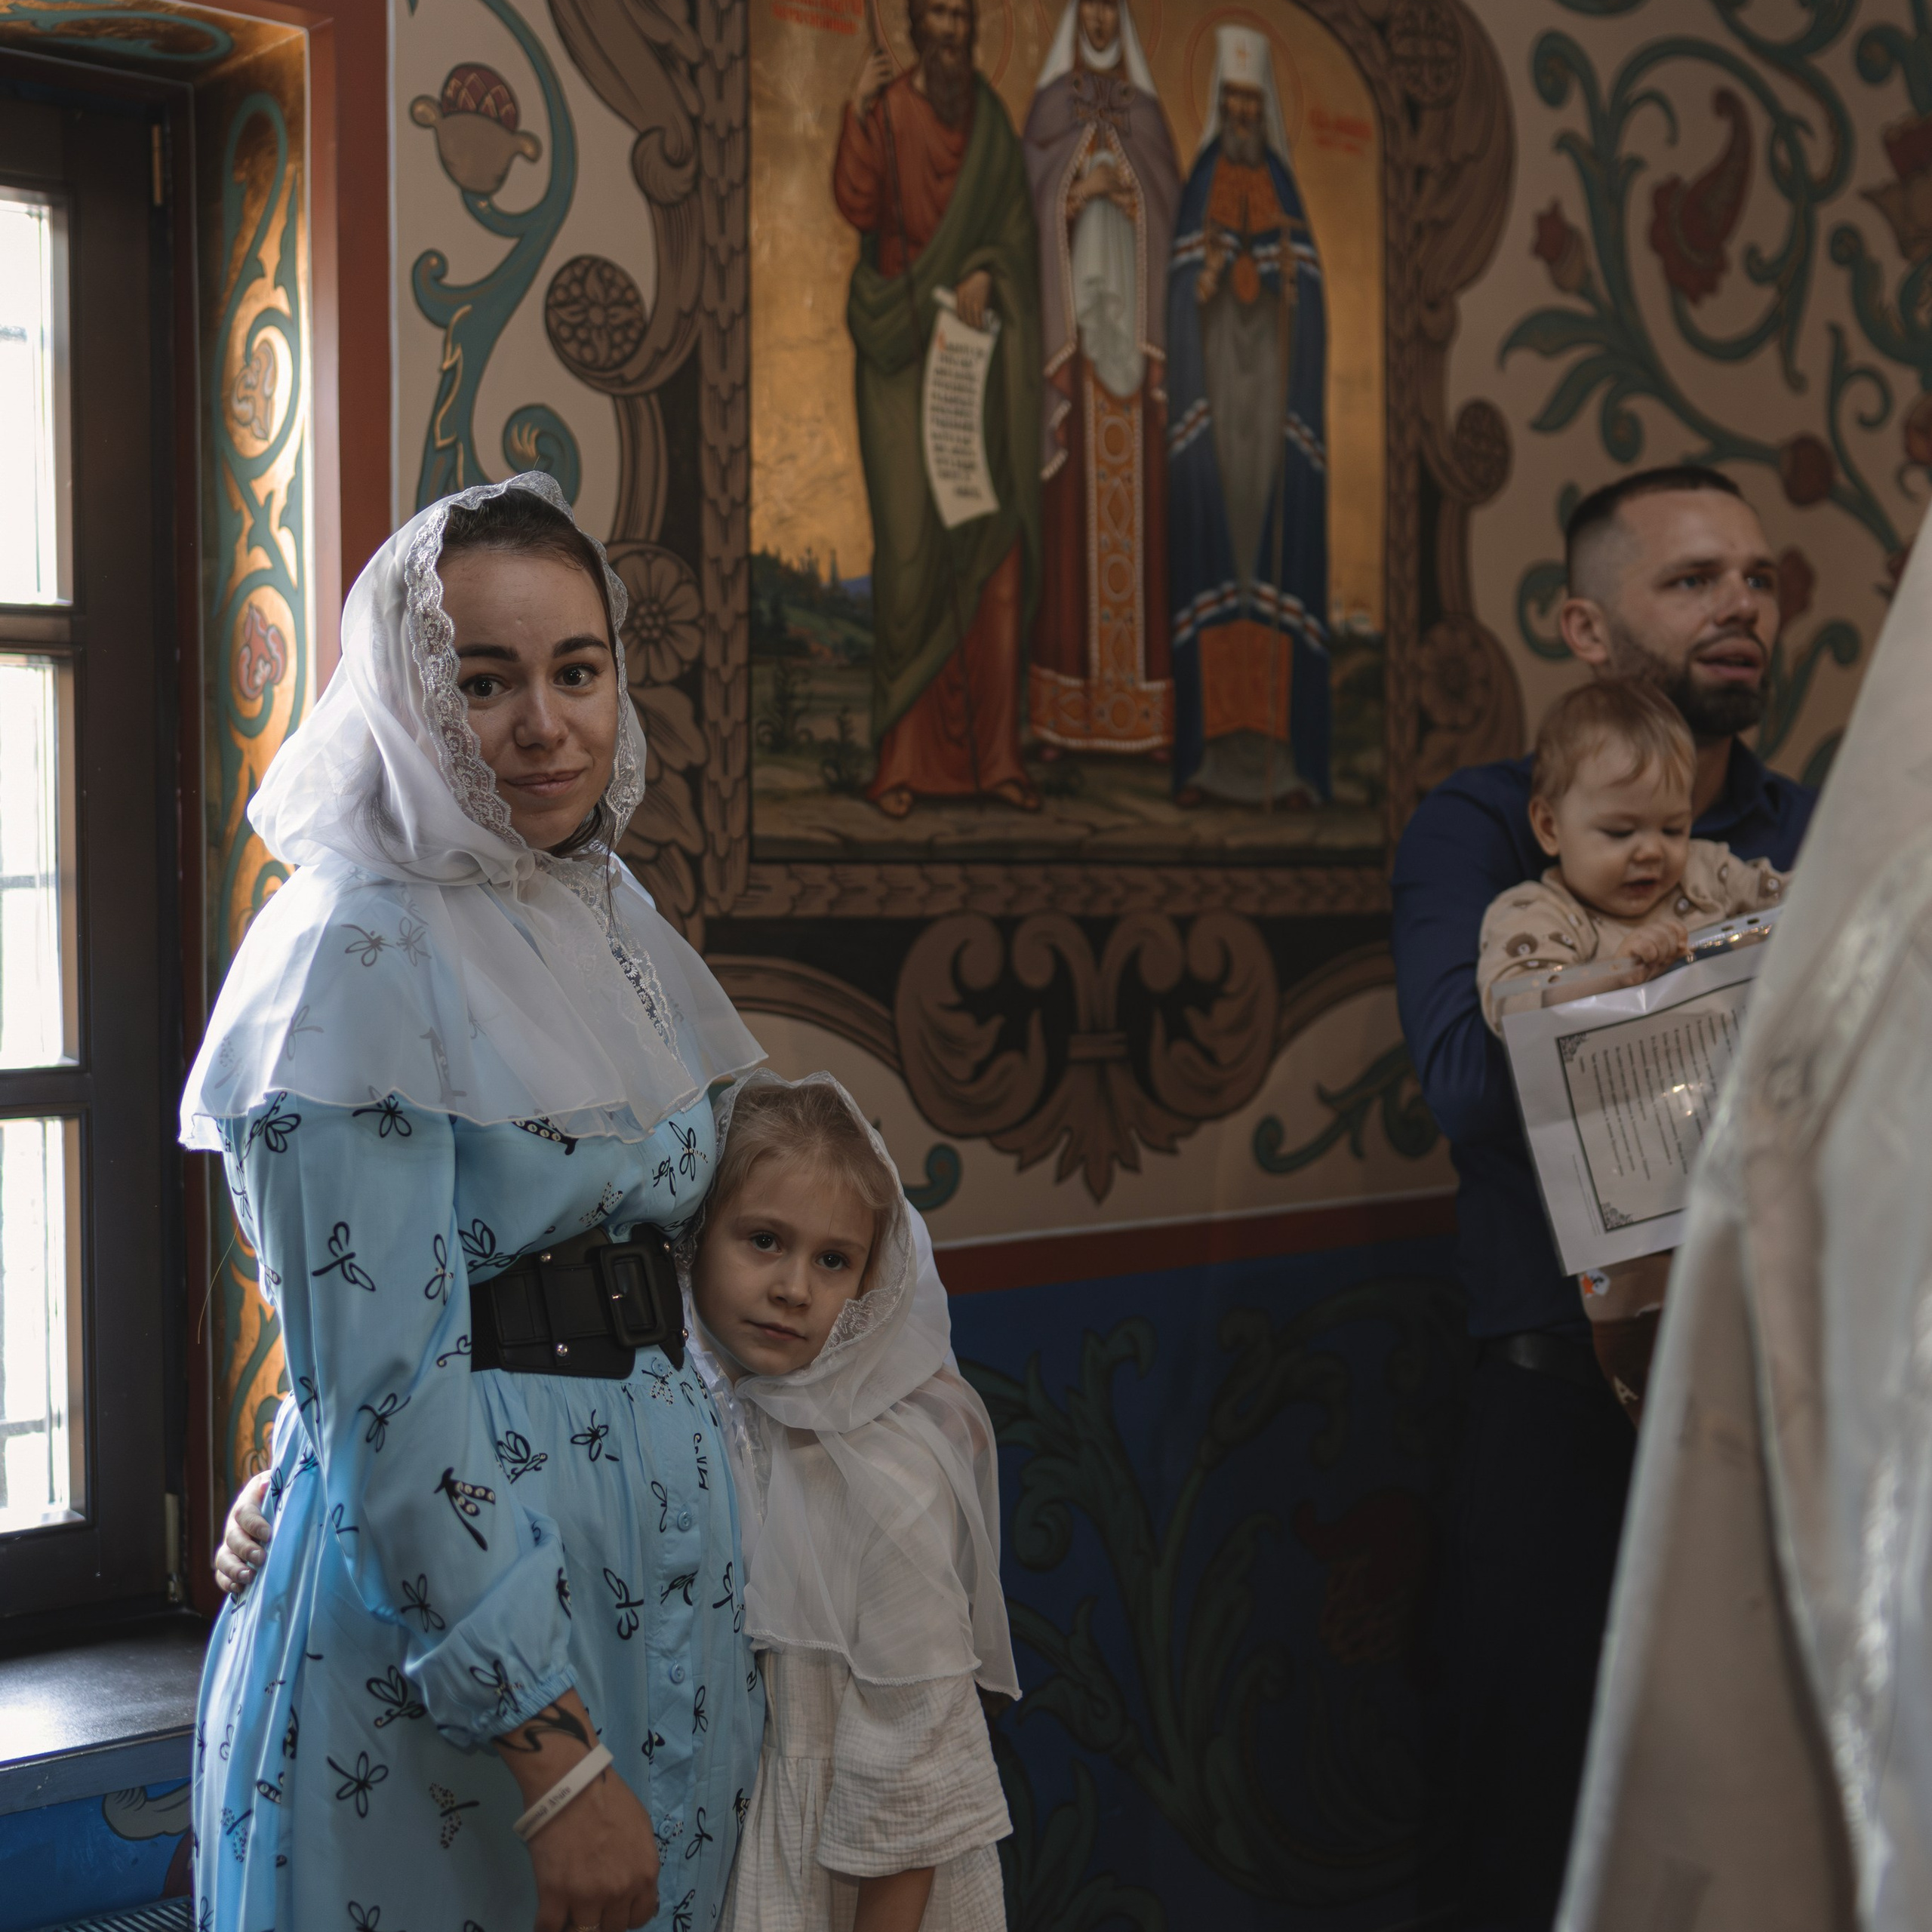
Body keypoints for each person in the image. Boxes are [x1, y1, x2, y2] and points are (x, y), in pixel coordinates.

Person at [190, 474, 766, 1932]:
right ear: (405, 696)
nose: (543, 724)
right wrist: (554, 1757)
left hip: (657, 1595)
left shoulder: (598, 911)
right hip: (470, 1657)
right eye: (484, 681)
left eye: (577, 672)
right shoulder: (351, 952)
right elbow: (383, 1382)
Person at [1391, 465, 1816, 1930]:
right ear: (1582, 622)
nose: (1740, 607)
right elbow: (1460, 1081)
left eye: (1755, 577)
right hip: (1553, 1414)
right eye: (1691, 579)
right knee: (1531, 1851)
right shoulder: (1484, 832)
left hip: (1768, 1421)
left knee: (1772, 1849)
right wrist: (1677, 984)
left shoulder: (1800, 833)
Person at [695, 1072, 1017, 1931]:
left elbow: (916, 1768)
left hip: (859, 1888)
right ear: (694, 1240)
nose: (795, 1287)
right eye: (764, 1240)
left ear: (875, 1278)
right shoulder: (696, 1424)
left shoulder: (891, 1474)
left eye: (833, 1259)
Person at [1475, 678, 1789, 1423]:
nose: (1652, 853)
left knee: (1764, 1322)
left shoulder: (1708, 872)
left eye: (1672, 827)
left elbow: (1793, 899)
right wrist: (1613, 972)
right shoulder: (1539, 910)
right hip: (1631, 1182)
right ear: (1550, 825)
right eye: (1619, 833)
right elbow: (1510, 1000)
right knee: (1642, 1348)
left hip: (1740, 1159)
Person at [836, 0, 1044, 820]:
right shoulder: (887, 111)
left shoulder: (991, 123)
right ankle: (900, 761)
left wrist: (991, 270)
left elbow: (1016, 239)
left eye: (963, 15)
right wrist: (856, 111)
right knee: (912, 557)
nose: (952, 30)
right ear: (917, 26)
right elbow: (858, 206)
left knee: (993, 563)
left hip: (976, 363)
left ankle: (997, 760)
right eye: (939, 15)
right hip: (899, 351)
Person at [1165, 25, 1329, 808]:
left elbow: (1310, 306)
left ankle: (1281, 763)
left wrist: (1276, 285)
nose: (1239, 116)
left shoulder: (1284, 199)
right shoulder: (1198, 188)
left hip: (1267, 420)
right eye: (1228, 102)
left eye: (1249, 104)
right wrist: (1198, 292)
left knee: (1265, 574)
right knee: (1216, 574)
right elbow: (1177, 299)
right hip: (1212, 425)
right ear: (1215, 107)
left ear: (1264, 113)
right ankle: (1205, 761)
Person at [1022, 0, 1180, 761]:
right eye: (1083, 7)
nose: (1094, 18)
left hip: (1133, 357)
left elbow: (1169, 205)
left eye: (1105, 8)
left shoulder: (1146, 116)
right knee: (1069, 530)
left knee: (1139, 531)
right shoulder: (1053, 106)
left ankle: (1141, 719)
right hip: (1076, 355)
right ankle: (1063, 719)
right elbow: (1029, 200)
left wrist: (1129, 198)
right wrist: (1074, 197)